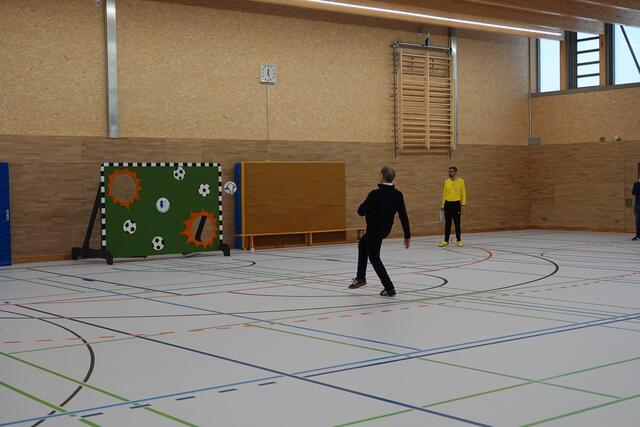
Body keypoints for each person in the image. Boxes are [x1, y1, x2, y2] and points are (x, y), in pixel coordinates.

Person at [349, 166, 410, 297]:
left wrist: (367, 208)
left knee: (374, 258)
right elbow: (403, 216)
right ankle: (360, 277)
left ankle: (389, 288)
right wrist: (407, 235)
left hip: (374, 230)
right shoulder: (398, 195)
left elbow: (361, 211)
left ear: (382, 176)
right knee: (362, 244)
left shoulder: (375, 194)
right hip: (385, 229)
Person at [439, 166, 466, 248]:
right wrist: (443, 205)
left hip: (456, 204)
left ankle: (459, 240)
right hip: (447, 204)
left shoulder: (461, 181)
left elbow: (463, 192)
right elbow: (444, 194)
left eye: (451, 171)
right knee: (448, 224)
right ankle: (446, 241)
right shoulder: (446, 182)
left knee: (457, 223)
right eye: (449, 171)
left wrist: (463, 202)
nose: (450, 173)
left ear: (455, 172)